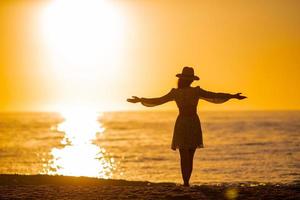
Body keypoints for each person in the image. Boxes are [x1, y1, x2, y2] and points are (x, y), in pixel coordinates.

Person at [127, 66, 246, 186]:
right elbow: (214, 95)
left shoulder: (178, 92)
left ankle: (186, 182)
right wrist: (232, 96)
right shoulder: (193, 91)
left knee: (185, 155)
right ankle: (186, 182)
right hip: (191, 122)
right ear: (189, 80)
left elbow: (159, 100)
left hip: (184, 123)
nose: (191, 81)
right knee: (189, 155)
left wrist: (232, 96)